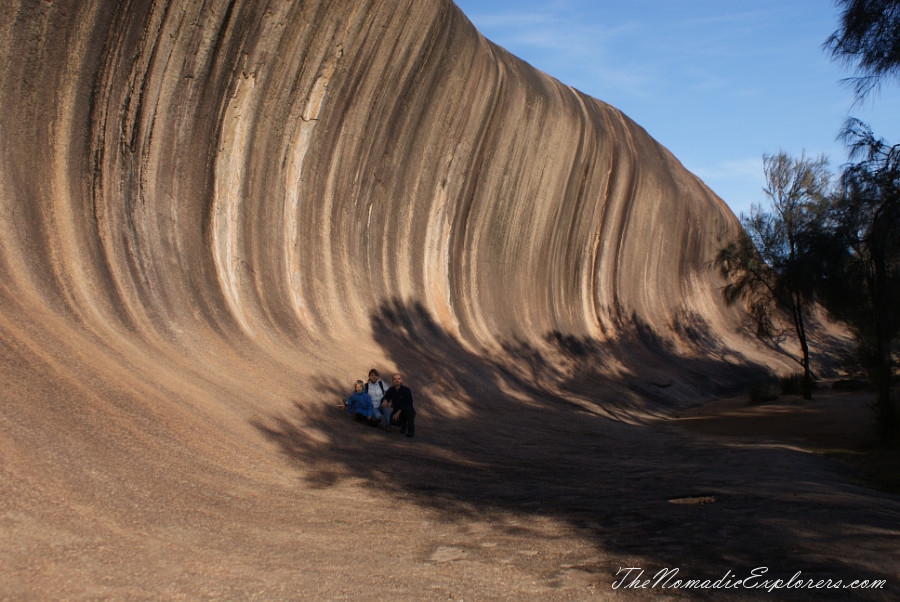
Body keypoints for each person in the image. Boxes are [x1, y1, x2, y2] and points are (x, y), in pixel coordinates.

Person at [383, 372, 415, 438]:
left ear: (401, 380)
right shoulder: (391, 390)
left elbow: (409, 403)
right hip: (396, 411)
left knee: (410, 412)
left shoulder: (407, 390)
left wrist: (399, 411)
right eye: (395, 379)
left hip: (406, 410)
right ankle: (403, 425)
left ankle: (410, 431)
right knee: (391, 420)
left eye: (398, 379)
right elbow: (386, 397)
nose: (397, 380)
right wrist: (385, 400)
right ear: (392, 381)